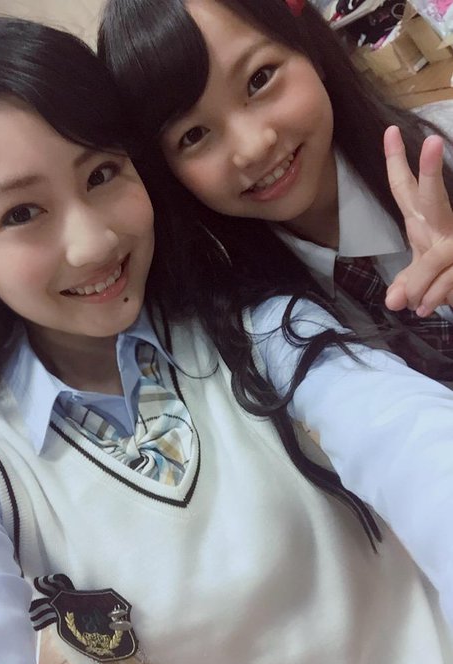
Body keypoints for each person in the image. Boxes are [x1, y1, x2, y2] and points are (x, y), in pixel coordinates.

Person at [0, 13, 453, 664]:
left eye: (102, 173)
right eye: (20, 213)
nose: (94, 244)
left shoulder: (258, 325)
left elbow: (406, 436)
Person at [98, 0, 453, 385]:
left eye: (259, 79)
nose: (252, 147)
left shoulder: (443, 148)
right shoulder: (249, 325)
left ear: (308, 47)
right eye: (194, 135)